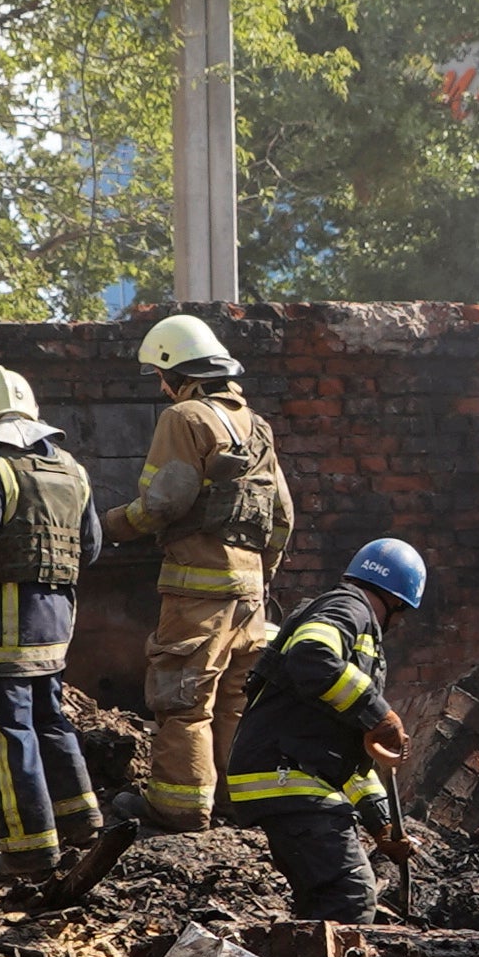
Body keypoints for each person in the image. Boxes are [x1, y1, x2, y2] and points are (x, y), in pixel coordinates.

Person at [105, 311, 295, 831]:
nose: (163, 389)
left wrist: (111, 526)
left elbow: (165, 501)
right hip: (250, 594)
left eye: (162, 378)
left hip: (198, 587)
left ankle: (179, 806)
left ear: (177, 372)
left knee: (183, 696)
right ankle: (238, 800)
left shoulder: (185, 418)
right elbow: (283, 516)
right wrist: (260, 574)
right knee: (236, 697)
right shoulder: (257, 426)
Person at [0, 364, 101, 862]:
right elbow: (90, 547)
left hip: (2, 624)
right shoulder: (71, 468)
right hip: (55, 625)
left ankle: (28, 849)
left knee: (3, 728)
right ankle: (81, 820)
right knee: (49, 717)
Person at [224, 539, 423, 922]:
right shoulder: (349, 608)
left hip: (296, 772)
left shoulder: (352, 625)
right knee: (348, 897)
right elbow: (311, 656)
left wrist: (382, 824)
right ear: (398, 602)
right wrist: (381, 714)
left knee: (324, 907)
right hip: (287, 774)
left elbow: (343, 757)